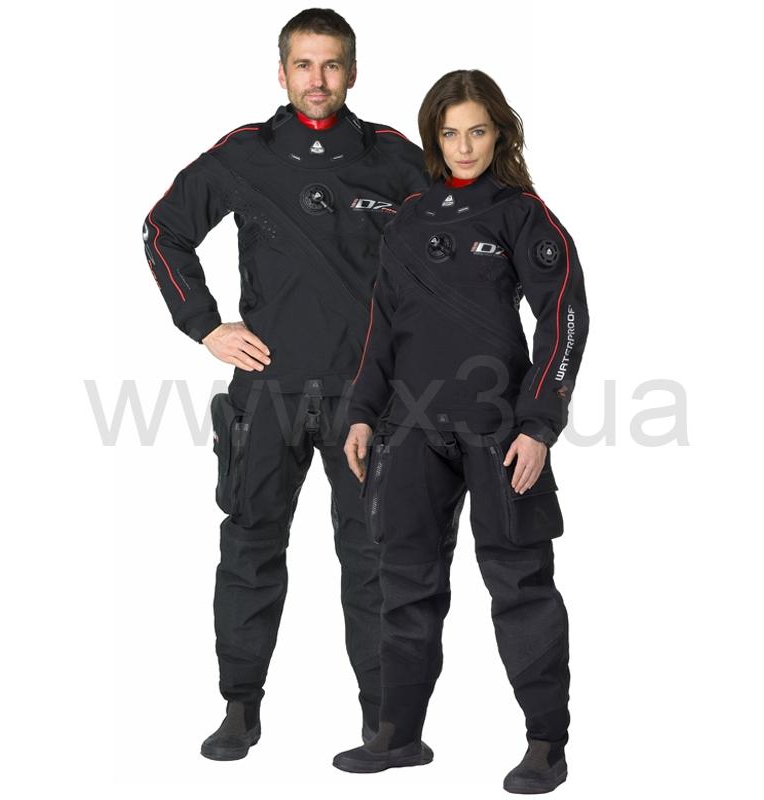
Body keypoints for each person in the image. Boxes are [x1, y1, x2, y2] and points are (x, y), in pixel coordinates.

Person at [141, 8, 428, 761]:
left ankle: (384, 720)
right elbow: (163, 230)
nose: (317, 79)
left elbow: (450, 248)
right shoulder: (245, 155)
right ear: (281, 72)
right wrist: (205, 326)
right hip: (267, 392)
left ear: (353, 72)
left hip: (368, 398)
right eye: (304, 64)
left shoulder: (396, 160)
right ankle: (240, 708)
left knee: (374, 557)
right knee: (250, 548)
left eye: (331, 64)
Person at [333, 69, 589, 794]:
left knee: (520, 583)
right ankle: (398, 735)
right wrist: (361, 412)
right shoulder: (408, 219)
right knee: (404, 582)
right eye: (450, 133)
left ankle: (545, 744)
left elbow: (565, 317)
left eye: (477, 131)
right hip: (410, 428)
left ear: (499, 133)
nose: (465, 146)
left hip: (499, 428)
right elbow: (382, 327)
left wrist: (539, 425)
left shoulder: (522, 215)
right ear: (434, 139)